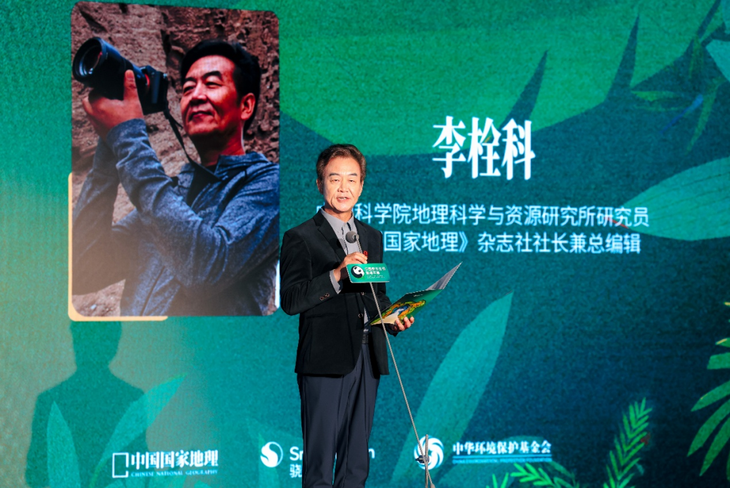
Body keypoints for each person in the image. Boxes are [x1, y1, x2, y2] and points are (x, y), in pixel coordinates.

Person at [72, 39, 279, 316]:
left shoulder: (269, 185)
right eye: (188, 88)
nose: (196, 95)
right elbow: (83, 269)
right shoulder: (171, 194)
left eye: (212, 84)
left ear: (246, 106)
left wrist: (128, 137)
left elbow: (204, 268)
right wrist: (109, 147)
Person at [280, 144, 413, 487]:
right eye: (334, 178)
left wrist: (394, 318)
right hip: (325, 361)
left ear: (362, 185)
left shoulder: (371, 236)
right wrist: (337, 274)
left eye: (352, 179)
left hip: (368, 357)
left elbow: (375, 295)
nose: (344, 188)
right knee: (320, 465)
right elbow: (291, 300)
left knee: (356, 465)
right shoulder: (300, 237)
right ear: (319, 183)